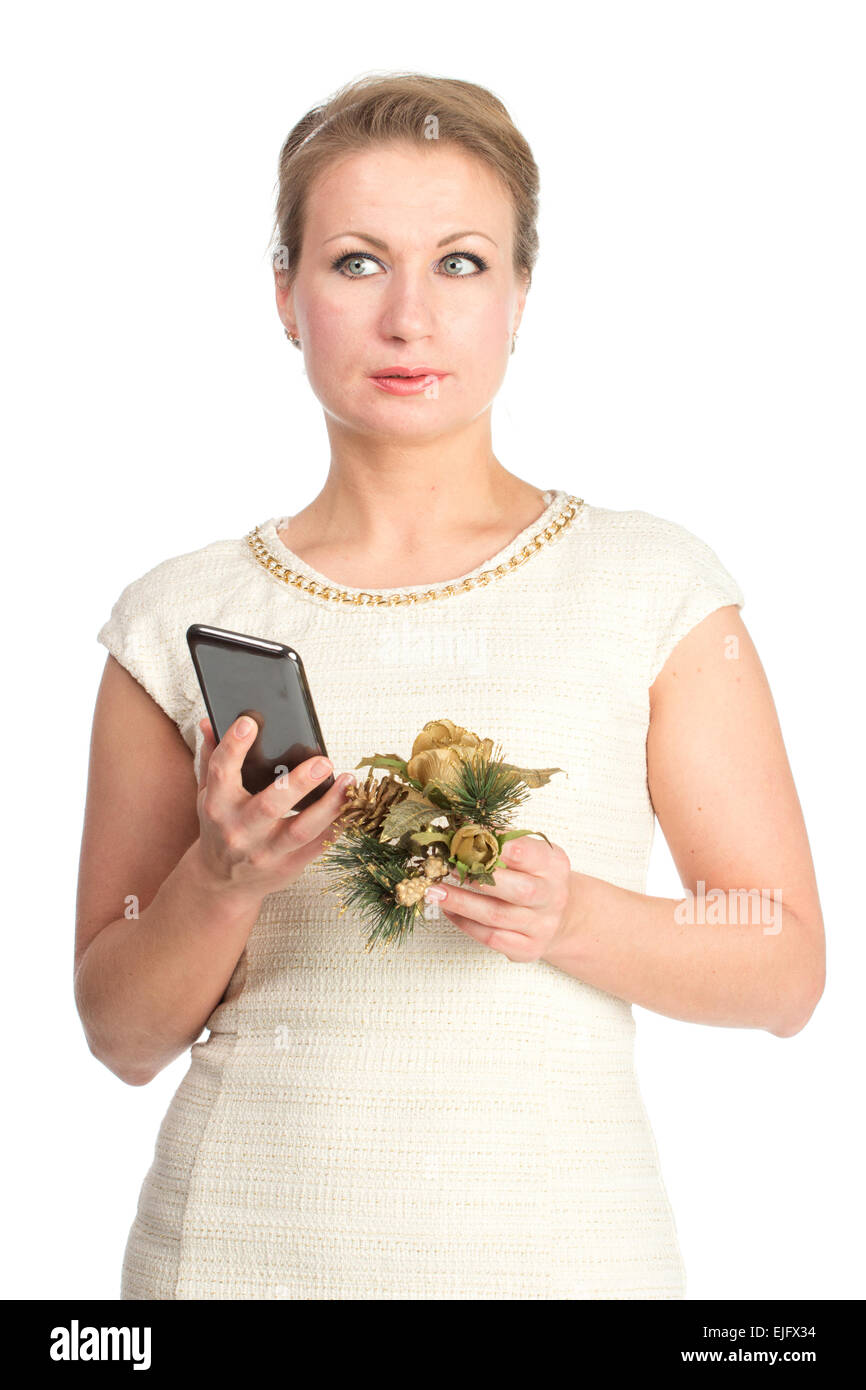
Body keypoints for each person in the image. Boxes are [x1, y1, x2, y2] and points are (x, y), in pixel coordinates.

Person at [75, 72, 825, 1301]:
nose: (409, 318)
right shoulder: (177, 619)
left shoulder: (651, 585)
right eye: (357, 262)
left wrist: (572, 914)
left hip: (568, 1265)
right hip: (232, 1265)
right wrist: (220, 880)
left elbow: (782, 963)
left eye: (462, 263)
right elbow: (119, 1031)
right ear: (285, 293)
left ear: (521, 291)